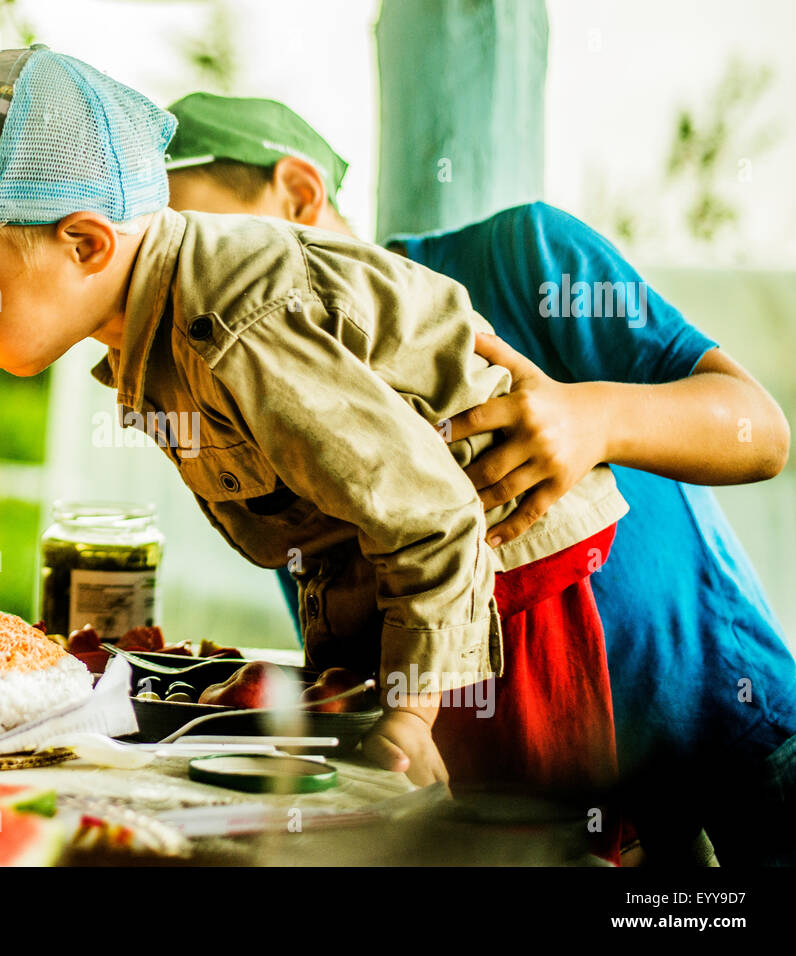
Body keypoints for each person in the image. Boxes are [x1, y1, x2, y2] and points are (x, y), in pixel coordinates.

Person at [0, 46, 635, 861]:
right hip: (402, 583)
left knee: (518, 840)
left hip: (497, 573)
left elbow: (431, 513)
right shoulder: (147, 325)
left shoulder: (234, 323)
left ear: (86, 244)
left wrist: (412, 714)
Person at [163, 91, 796, 866]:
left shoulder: (519, 256)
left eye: (199, 243)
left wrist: (590, 420)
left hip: (731, 725)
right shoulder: (250, 393)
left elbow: (759, 432)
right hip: (535, 809)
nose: (188, 287)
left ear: (298, 193)